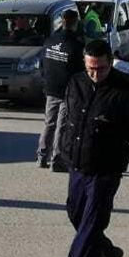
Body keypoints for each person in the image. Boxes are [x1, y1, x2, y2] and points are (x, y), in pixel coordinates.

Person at [59, 40, 129, 257]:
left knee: (90, 224)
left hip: (106, 170)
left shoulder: (125, 91)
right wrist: (63, 146)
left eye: (101, 68)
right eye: (90, 68)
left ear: (111, 62)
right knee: (76, 214)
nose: (95, 73)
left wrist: (117, 154)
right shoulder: (76, 83)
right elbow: (66, 117)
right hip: (77, 164)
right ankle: (108, 253)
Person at [39, 9, 85, 171]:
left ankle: (42, 156)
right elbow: (81, 71)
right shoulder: (77, 45)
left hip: (51, 87)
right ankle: (57, 160)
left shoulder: (50, 40)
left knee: (49, 123)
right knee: (62, 125)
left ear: (61, 21)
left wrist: (46, 80)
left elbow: (42, 63)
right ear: (75, 23)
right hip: (67, 90)